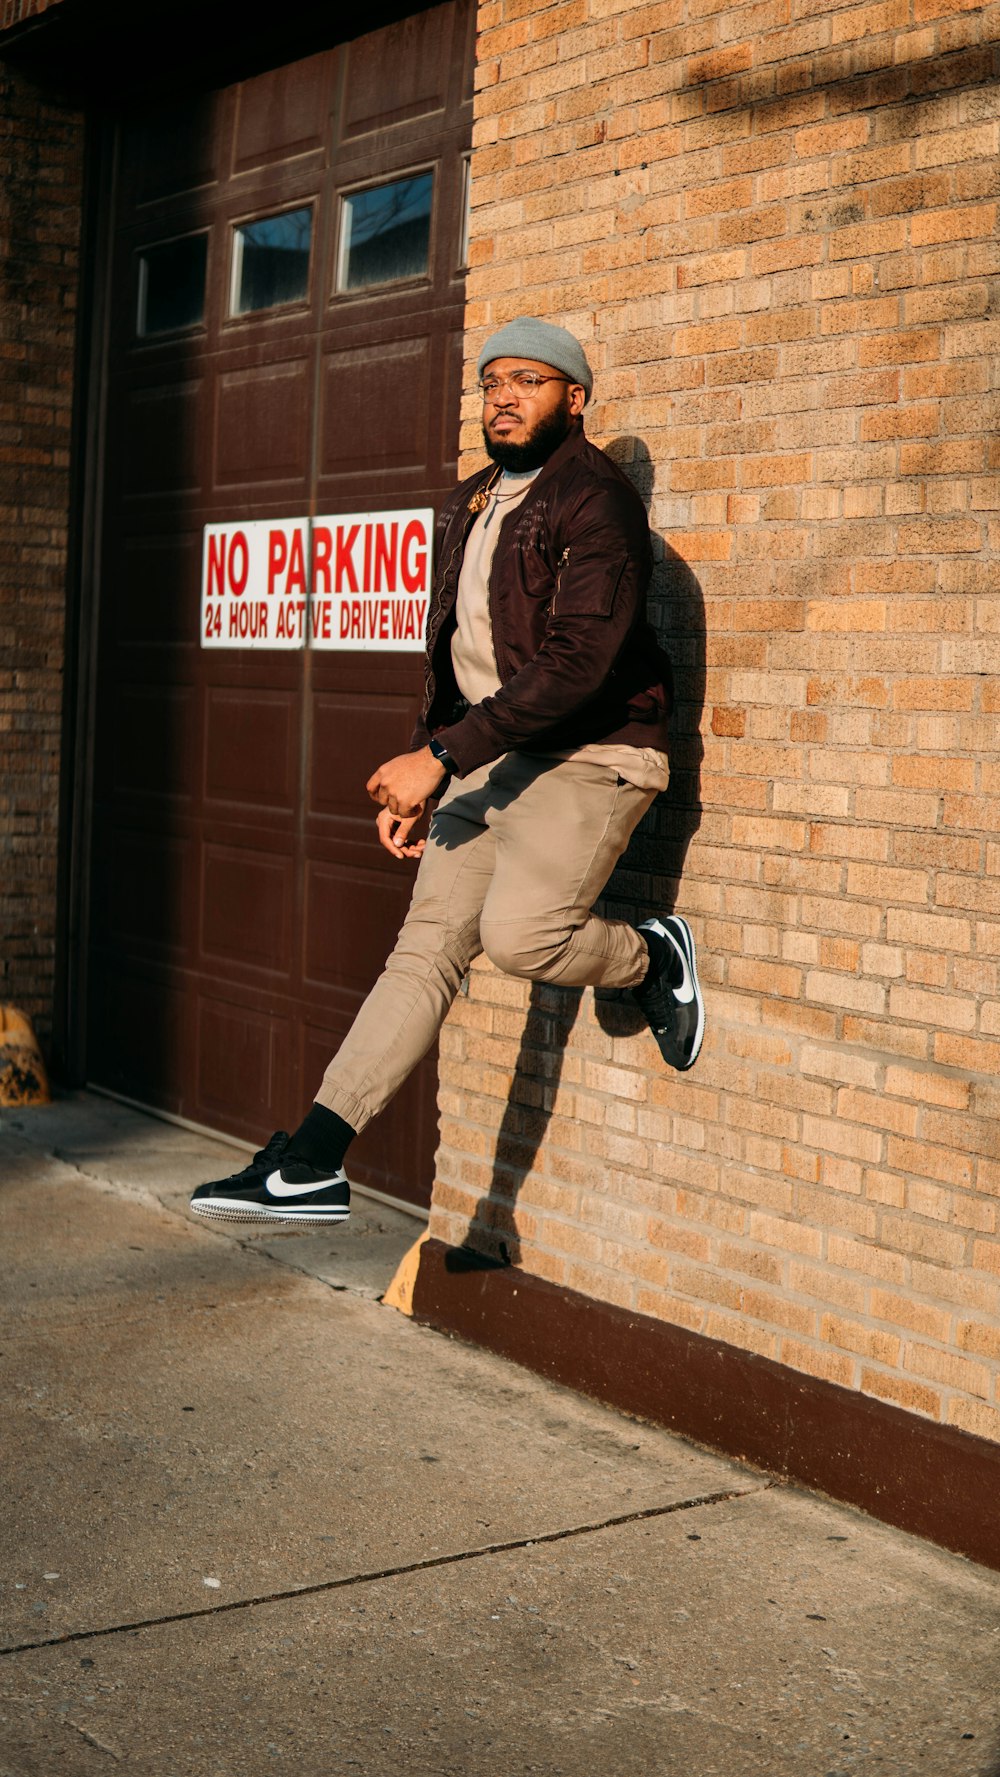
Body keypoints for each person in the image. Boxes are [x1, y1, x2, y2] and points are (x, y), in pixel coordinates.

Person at [190, 317, 704, 1229]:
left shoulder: (597, 503)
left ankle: (649, 953)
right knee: (422, 953)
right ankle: (312, 1158)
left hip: (592, 754)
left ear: (575, 399)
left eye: (530, 381)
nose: (503, 396)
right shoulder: (470, 501)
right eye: (492, 381)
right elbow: (454, 654)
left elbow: (578, 663)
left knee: (520, 940)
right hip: (486, 757)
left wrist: (438, 758)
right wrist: (426, 766)